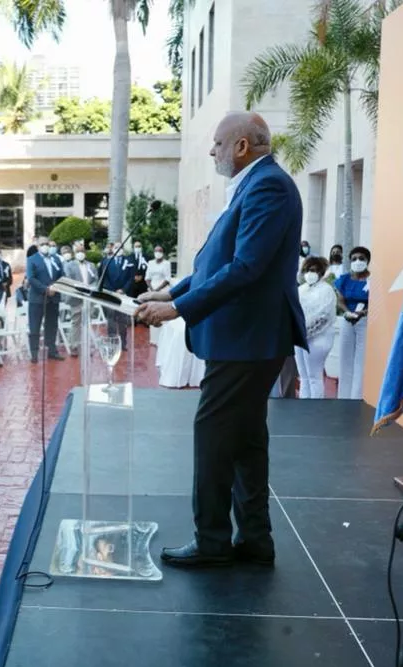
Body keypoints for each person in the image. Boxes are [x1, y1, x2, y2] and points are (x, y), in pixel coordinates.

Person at [136, 111, 307, 568]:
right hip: (246, 338)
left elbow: (245, 267)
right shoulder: (255, 185)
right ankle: (254, 538)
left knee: (212, 436)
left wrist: (177, 309)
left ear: (242, 147)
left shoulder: (267, 186)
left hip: (247, 339)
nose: (211, 152)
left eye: (216, 144)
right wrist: (172, 291)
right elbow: (217, 261)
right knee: (246, 441)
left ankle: (212, 540)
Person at [295, 257, 337, 399]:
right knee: (303, 376)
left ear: (320, 272)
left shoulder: (326, 290)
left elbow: (324, 316)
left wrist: (306, 331)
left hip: (318, 337)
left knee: (314, 375)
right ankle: (303, 407)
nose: (309, 273)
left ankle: (315, 409)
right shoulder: (301, 289)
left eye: (313, 270)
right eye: (307, 270)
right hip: (299, 336)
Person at [335, 246, 371, 400]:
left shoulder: (372, 280)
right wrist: (347, 312)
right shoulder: (344, 279)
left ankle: (357, 397)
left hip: (364, 321)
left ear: (367, 261)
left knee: (360, 361)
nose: (357, 261)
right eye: (354, 258)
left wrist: (363, 313)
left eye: (361, 258)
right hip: (347, 319)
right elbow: (340, 300)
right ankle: (344, 397)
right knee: (345, 358)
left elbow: (375, 301)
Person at [26, 236, 65, 363]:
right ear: (37, 246)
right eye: (42, 244)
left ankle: (52, 351)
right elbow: (31, 278)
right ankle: (34, 353)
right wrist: (45, 289)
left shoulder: (56, 259)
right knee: (35, 327)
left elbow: (61, 276)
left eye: (47, 243)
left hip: (54, 298)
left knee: (52, 325)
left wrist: (55, 287)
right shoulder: (32, 259)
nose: (46, 246)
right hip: (38, 298)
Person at [63, 243, 97, 355]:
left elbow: (95, 280)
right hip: (76, 297)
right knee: (76, 322)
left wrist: (91, 289)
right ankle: (74, 345)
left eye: (82, 251)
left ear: (85, 253)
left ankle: (87, 345)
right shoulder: (70, 265)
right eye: (78, 252)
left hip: (89, 298)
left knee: (87, 322)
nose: (80, 254)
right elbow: (69, 280)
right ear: (74, 254)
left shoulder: (91, 265)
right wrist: (81, 289)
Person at [100, 243, 136, 351]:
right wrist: (112, 291)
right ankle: (112, 341)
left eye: (120, 247)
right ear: (112, 249)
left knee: (122, 320)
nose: (118, 249)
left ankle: (123, 343)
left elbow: (131, 278)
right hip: (111, 294)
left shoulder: (129, 261)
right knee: (111, 318)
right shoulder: (107, 261)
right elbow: (104, 278)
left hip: (123, 294)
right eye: (116, 247)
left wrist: (123, 290)